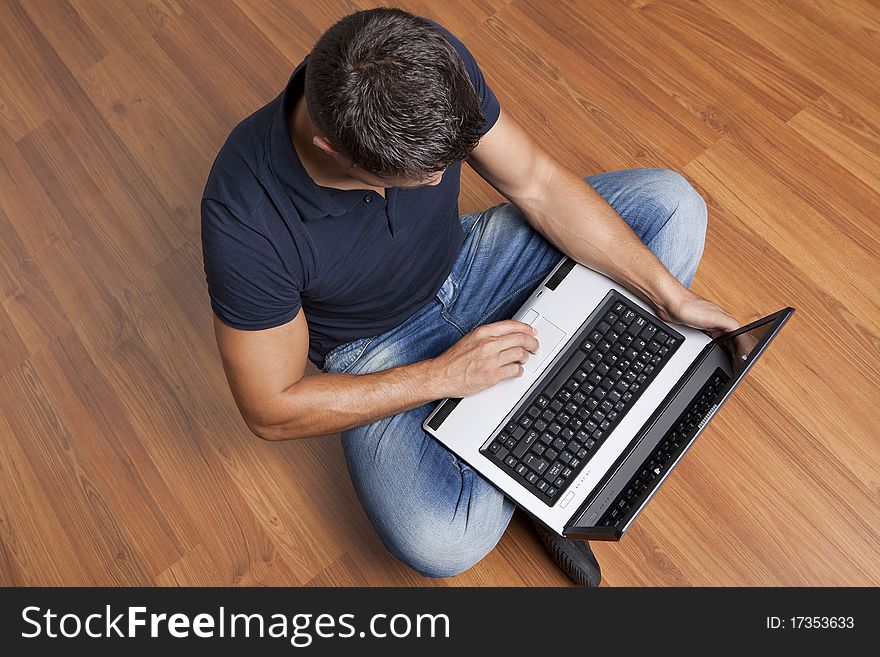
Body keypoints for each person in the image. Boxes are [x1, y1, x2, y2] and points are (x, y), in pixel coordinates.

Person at [201, 8, 739, 586]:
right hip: (378, 349)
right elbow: (272, 409)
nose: (441, 180)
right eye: (422, 174)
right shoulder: (244, 221)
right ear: (333, 148)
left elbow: (533, 179)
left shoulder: (421, 61)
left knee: (672, 202)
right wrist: (444, 378)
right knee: (440, 540)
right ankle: (540, 444)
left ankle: (531, 442)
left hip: (471, 259)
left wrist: (666, 295)